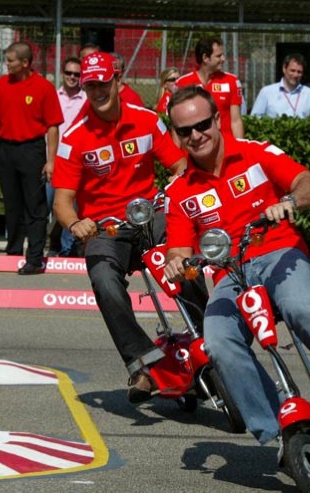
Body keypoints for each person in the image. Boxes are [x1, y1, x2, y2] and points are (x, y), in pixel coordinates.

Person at [162, 86, 310, 448]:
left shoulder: (256, 153)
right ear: (176, 134)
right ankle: (279, 427)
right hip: (229, 273)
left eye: (202, 124)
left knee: (302, 309)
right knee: (217, 341)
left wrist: (290, 201)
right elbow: (178, 251)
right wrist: (175, 265)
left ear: (217, 120)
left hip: (280, 253)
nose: (196, 135)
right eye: (185, 131)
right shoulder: (179, 192)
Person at [52, 52, 208, 403]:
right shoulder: (73, 136)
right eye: (89, 85)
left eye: (103, 83)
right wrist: (75, 222)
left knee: (185, 259)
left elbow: (180, 164)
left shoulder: (148, 120)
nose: (96, 91)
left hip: (150, 213)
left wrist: (181, 189)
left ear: (117, 80)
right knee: (104, 280)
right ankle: (144, 365)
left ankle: (211, 338)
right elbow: (62, 201)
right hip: (105, 228)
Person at [0, 42, 63, 275]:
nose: (6, 64)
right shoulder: (1, 85)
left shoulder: (43, 87)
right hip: (7, 150)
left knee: (35, 206)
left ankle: (35, 258)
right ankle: (14, 251)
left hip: (32, 150)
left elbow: (52, 127)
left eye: (10, 60)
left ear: (25, 62)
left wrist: (51, 159)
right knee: (12, 204)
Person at [175, 37, 244, 139]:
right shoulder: (183, 83)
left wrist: (240, 149)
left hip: (225, 148)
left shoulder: (232, 81)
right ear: (205, 58)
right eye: (218, 56)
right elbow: (177, 124)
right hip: (194, 147)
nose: (223, 59)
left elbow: (236, 121)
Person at [52, 56, 87, 256]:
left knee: (70, 206)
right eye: (69, 73)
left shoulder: (87, 100)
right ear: (62, 74)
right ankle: (53, 245)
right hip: (53, 159)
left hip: (76, 162)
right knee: (50, 206)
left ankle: (68, 250)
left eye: (77, 74)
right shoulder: (54, 96)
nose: (73, 77)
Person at [251, 53, 310, 119]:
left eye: (299, 72)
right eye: (292, 71)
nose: (295, 75)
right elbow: (255, 119)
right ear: (284, 69)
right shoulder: (267, 92)